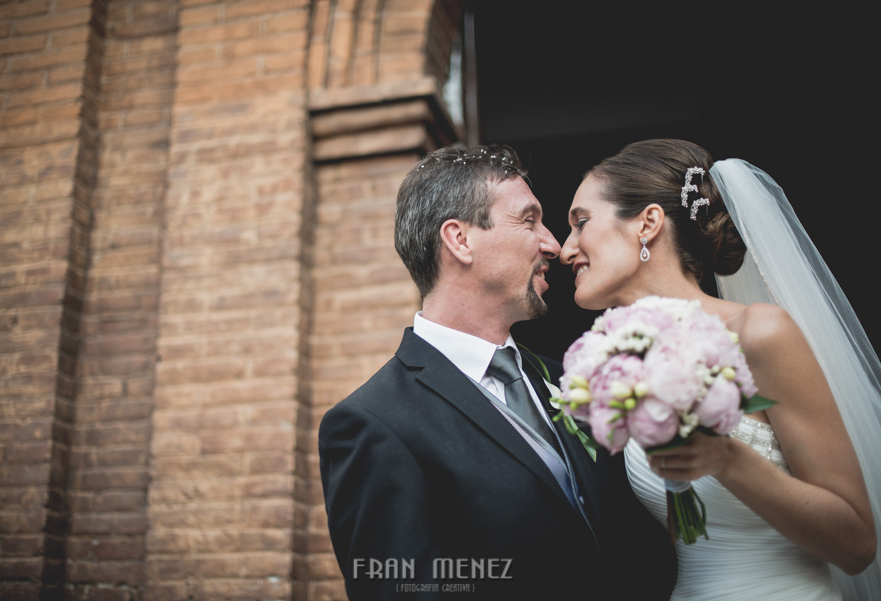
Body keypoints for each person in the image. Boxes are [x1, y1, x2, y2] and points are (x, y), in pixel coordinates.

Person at [319, 143, 676, 600]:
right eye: (529, 221)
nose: (553, 245)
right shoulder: (373, 423)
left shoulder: (574, 380)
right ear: (459, 240)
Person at [558, 138, 881, 600]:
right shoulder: (621, 365)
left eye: (581, 223)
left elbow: (857, 544)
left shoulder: (759, 334)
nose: (565, 249)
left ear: (647, 223)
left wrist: (729, 459)